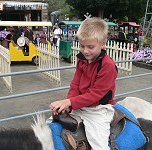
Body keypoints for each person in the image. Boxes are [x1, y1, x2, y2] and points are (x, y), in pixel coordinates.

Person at [49, 17, 118, 150]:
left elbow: (96, 95)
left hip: (98, 109)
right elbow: (75, 84)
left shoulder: (107, 65)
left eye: (90, 47)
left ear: (103, 43)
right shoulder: (82, 60)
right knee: (50, 124)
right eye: (82, 46)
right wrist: (68, 104)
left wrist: (70, 102)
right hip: (80, 105)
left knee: (99, 145)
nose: (85, 51)